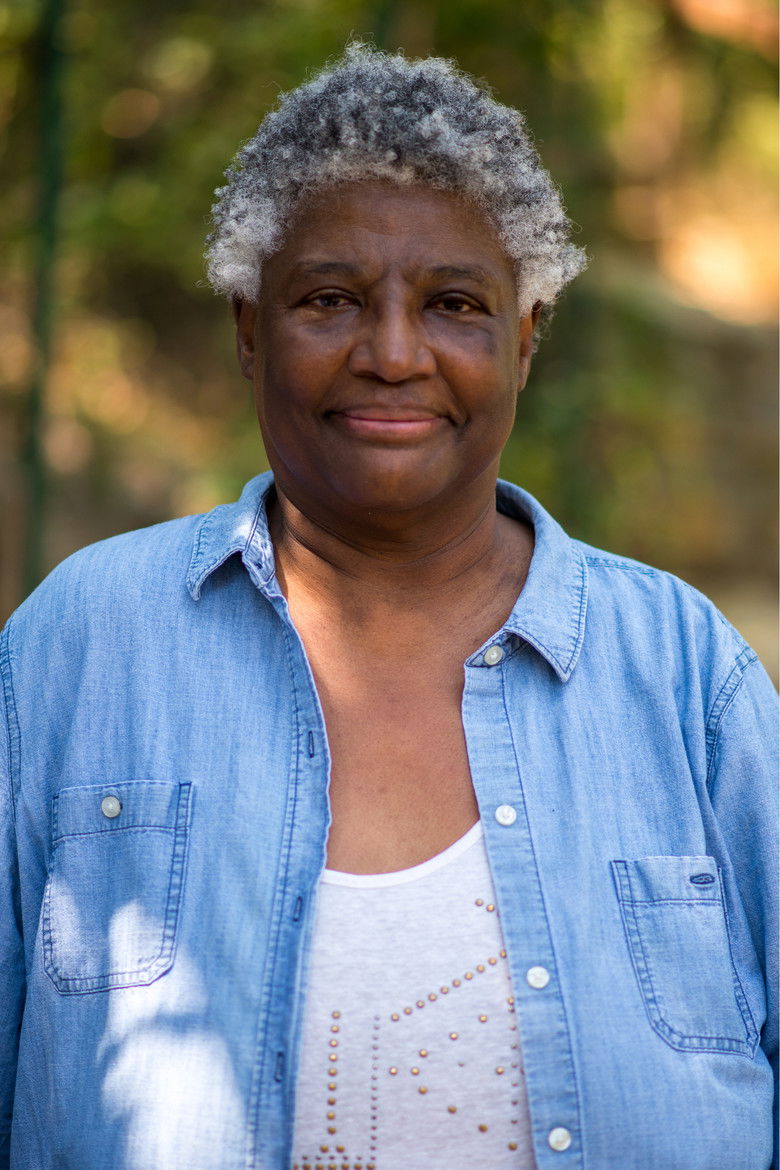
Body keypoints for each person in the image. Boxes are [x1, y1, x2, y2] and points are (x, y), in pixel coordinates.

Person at [0, 43, 776, 1170]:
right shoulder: (82, 645)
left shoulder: (685, 673)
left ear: (525, 337)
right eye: (330, 300)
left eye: (455, 303)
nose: (394, 353)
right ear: (248, 327)